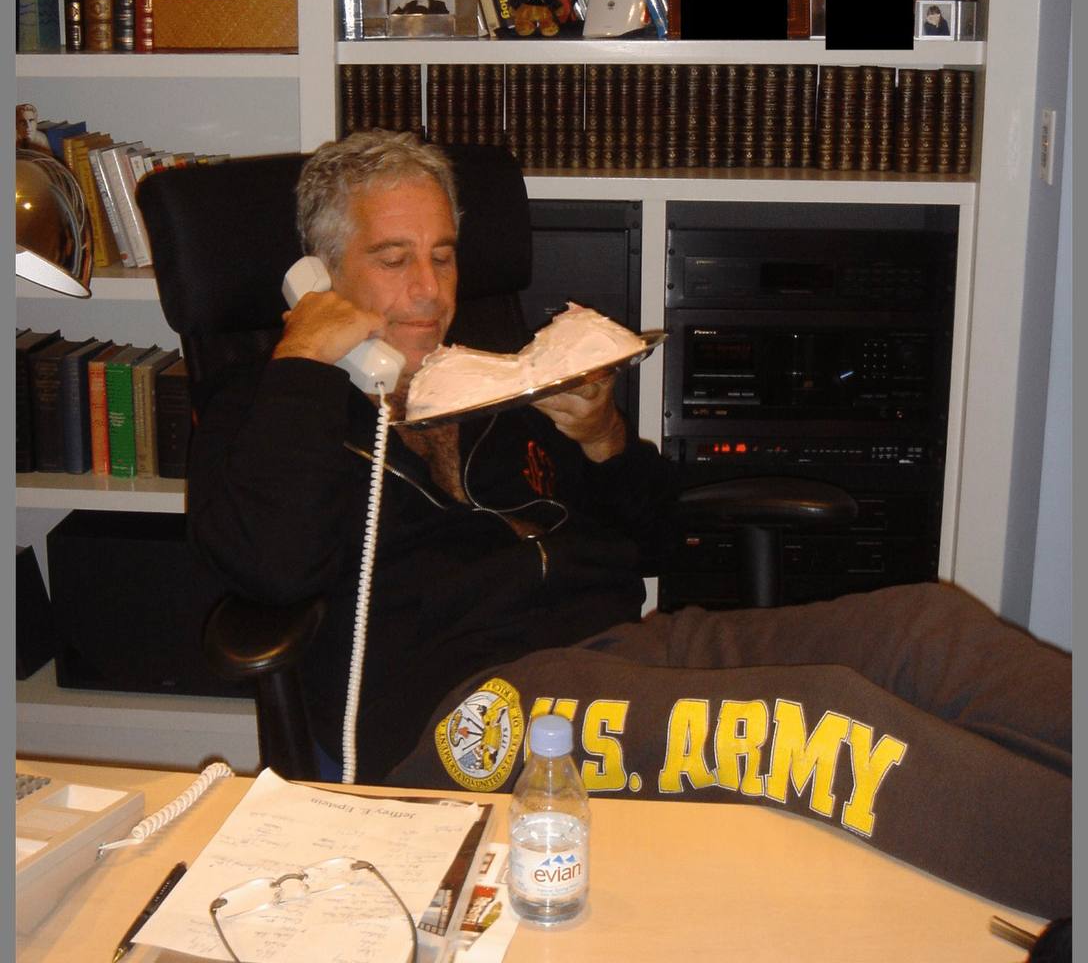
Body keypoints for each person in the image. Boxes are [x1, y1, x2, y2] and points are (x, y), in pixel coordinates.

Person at [188, 130, 1070, 921]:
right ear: (323, 275)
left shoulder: (503, 382)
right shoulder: (269, 408)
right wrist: (306, 359)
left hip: (619, 656)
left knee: (928, 628)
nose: (430, 292)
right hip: (472, 720)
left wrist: (605, 439)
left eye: (446, 257)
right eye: (393, 259)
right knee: (814, 722)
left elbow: (663, 540)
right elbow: (272, 571)